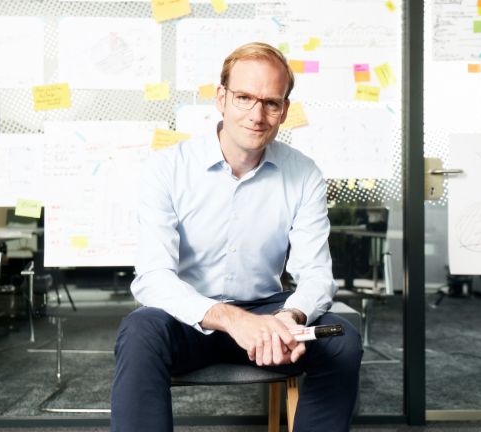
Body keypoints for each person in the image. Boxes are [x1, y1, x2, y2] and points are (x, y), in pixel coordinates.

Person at [111, 42, 362, 432]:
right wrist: (232, 320)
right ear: (221, 98)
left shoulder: (304, 174)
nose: (257, 115)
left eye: (271, 103)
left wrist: (289, 317)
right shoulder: (167, 168)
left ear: (284, 110)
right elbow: (153, 278)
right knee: (140, 330)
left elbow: (316, 275)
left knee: (342, 338)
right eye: (244, 98)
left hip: (268, 317)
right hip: (189, 319)